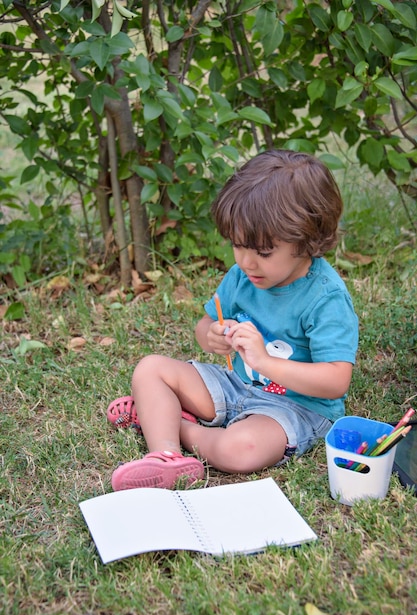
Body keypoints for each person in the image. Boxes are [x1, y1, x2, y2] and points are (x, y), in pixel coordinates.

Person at [108, 149, 359, 491]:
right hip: (234, 386)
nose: (246, 261)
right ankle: (164, 455)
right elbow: (205, 324)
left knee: (239, 450)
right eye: (237, 246)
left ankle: (171, 423)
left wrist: (265, 361)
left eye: (263, 252)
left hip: (295, 408)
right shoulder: (243, 275)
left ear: (307, 240)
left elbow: (335, 381)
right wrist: (211, 335)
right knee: (150, 368)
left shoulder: (325, 297)